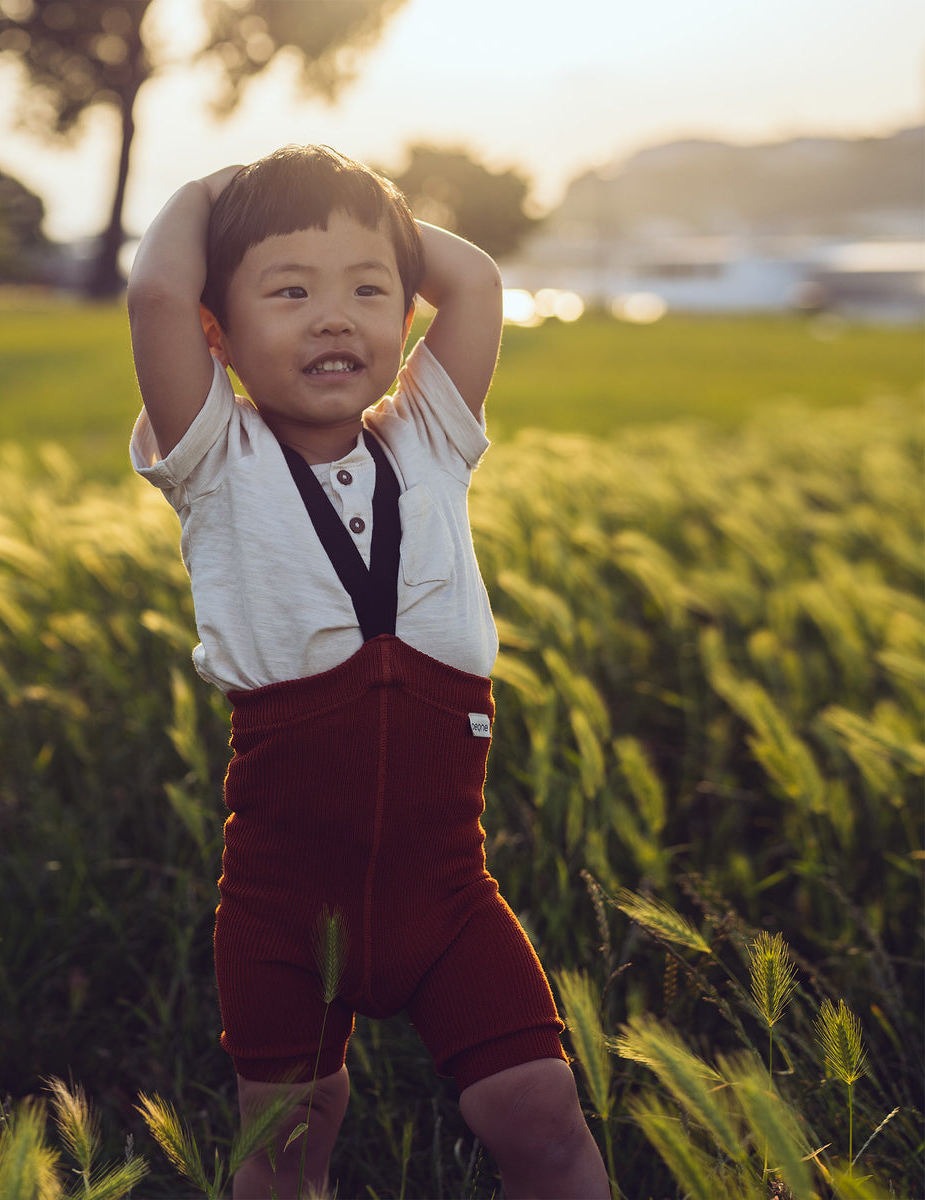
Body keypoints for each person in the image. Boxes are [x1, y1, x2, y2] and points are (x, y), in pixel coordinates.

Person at [128, 145, 609, 1200]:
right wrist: (218, 197)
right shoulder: (215, 459)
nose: (335, 317)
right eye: (289, 292)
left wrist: (366, 211)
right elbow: (156, 288)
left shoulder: (430, 436)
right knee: (287, 1147)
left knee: (541, 1114)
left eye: (368, 291)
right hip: (283, 905)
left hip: (447, 894)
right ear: (219, 330)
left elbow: (475, 280)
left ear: (404, 317)